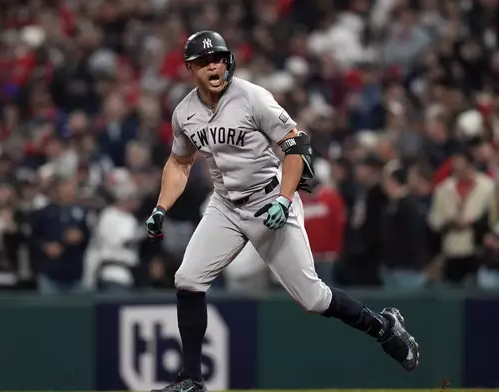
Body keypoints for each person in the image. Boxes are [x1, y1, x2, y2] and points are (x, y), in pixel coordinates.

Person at [144, 31, 420, 392]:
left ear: (228, 61)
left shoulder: (252, 97)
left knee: (313, 299)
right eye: (204, 61)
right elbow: (179, 162)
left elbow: (296, 145)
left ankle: (383, 326)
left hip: (269, 200)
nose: (214, 65)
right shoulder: (185, 113)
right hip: (225, 206)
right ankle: (191, 379)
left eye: (219, 58)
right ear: (191, 68)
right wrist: (162, 206)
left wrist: (285, 199)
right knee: (188, 280)